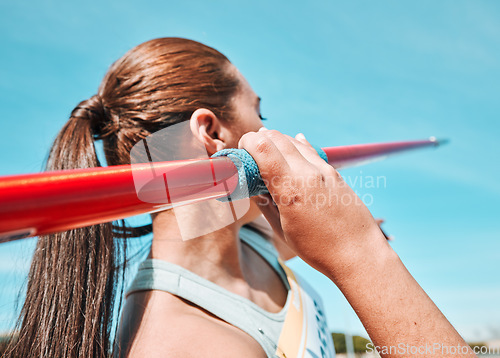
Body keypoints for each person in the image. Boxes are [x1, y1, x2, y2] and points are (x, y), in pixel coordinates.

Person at [4, 37, 474, 358]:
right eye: (260, 110)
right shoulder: (183, 341)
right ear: (211, 132)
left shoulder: (249, 237)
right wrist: (362, 256)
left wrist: (347, 226)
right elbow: (344, 250)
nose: (272, 129)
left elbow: (299, 236)